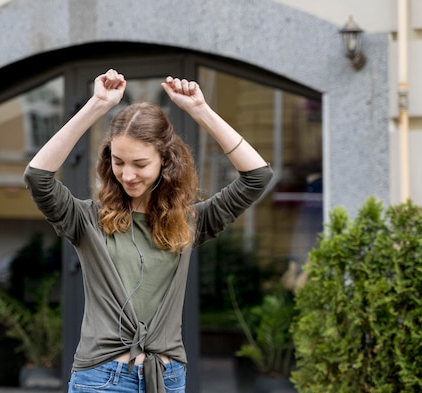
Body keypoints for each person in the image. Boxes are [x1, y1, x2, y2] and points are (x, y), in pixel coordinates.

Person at [24, 69, 272, 393]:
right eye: (118, 162)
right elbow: (38, 177)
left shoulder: (188, 223)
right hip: (102, 380)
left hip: (167, 380)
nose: (127, 175)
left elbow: (257, 177)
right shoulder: (87, 221)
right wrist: (96, 106)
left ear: (165, 162)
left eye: (140, 164)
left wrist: (200, 110)